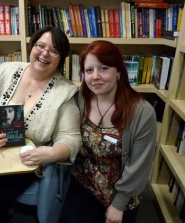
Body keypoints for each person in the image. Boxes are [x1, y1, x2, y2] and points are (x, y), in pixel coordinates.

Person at [0, 26, 81, 223]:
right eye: (40, 45)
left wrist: (51, 153)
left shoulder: (64, 91)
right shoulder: (8, 70)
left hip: (24, 158)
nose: (45, 53)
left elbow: (71, 138)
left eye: (54, 50)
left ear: (61, 58)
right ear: (32, 47)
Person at [59, 40, 157, 223]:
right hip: (83, 184)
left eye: (103, 68)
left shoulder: (142, 112)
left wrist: (119, 204)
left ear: (119, 71)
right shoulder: (80, 98)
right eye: (89, 70)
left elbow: (139, 166)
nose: (95, 76)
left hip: (121, 195)